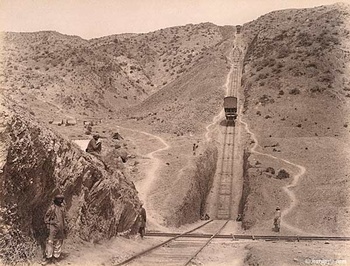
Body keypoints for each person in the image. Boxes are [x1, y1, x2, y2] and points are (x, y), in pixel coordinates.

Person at [43, 194, 67, 263]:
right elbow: (46, 217)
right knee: (50, 242)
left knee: (58, 242)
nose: (60, 201)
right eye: (58, 199)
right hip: (53, 227)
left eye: (61, 199)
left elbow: (64, 218)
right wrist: (48, 225)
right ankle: (48, 257)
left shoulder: (63, 208)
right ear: (56, 200)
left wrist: (65, 227)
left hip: (61, 228)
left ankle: (55, 258)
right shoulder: (52, 208)